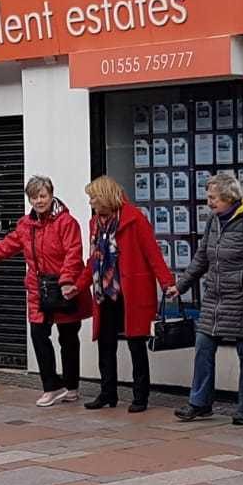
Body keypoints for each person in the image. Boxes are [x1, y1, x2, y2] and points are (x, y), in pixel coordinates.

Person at [0, 175, 89, 407]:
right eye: (34, 197)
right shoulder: (25, 225)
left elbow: (73, 253)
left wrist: (66, 280)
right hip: (38, 289)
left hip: (64, 288)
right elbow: (5, 247)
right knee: (38, 334)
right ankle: (52, 386)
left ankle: (72, 386)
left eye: (42, 196)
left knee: (68, 338)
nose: (38, 201)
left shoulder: (67, 222)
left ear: (51, 195)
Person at [173, 172, 243, 426]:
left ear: (229, 197)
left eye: (213, 198)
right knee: (203, 346)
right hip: (215, 298)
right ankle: (199, 403)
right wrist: (181, 286)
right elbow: (202, 257)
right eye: (208, 197)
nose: (208, 202)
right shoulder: (214, 220)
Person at [70, 176, 174, 414]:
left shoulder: (134, 218)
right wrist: (79, 285)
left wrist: (167, 282)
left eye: (93, 197)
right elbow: (94, 259)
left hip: (132, 291)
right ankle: (108, 393)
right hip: (105, 292)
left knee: (136, 344)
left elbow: (152, 253)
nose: (90, 202)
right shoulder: (95, 223)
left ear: (105, 196)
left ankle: (140, 396)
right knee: (105, 344)